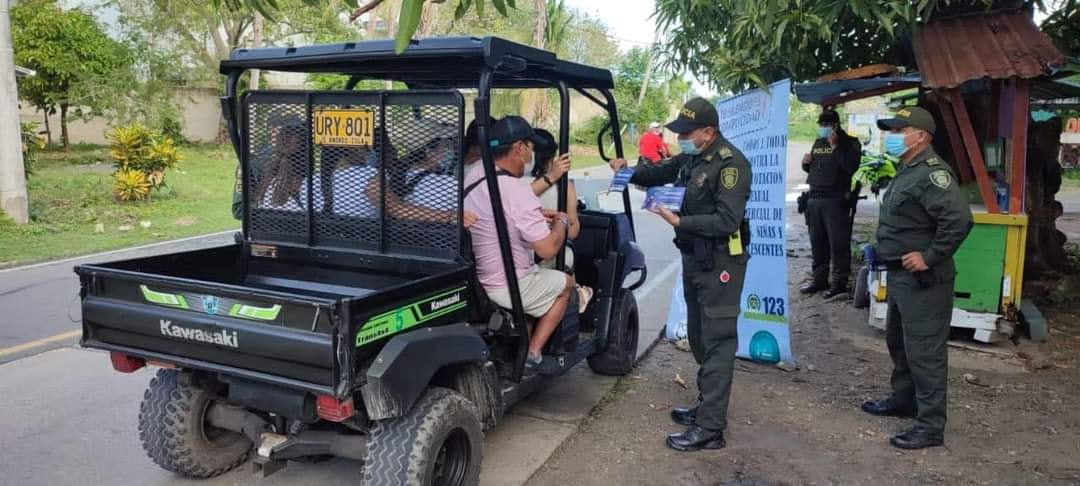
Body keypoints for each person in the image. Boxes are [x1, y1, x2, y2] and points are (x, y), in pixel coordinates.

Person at [609, 98, 751, 452]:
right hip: (695, 259)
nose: (681, 139)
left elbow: (726, 221)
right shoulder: (693, 157)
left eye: (687, 134)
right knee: (701, 337)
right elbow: (661, 172)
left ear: (708, 131)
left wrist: (680, 222)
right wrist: (629, 171)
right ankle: (708, 405)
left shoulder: (731, 165)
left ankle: (711, 428)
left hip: (720, 264)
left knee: (717, 342)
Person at [861, 106, 973, 450]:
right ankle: (904, 399)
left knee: (925, 351)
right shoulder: (907, 169)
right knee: (899, 342)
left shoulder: (932, 173)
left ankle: (930, 425)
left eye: (898, 130)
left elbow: (959, 219)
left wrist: (929, 256)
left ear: (920, 136)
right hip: (900, 278)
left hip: (924, 280)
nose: (892, 136)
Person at [464, 116, 574, 375]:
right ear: (519, 148)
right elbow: (547, 249)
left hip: (479, 276)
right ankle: (532, 354)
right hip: (508, 283)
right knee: (567, 285)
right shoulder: (516, 190)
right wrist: (562, 222)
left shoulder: (476, 172)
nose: (532, 153)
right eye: (530, 147)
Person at [799, 109, 862, 297]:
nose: (822, 128)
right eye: (820, 125)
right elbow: (815, 168)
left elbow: (851, 167)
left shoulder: (850, 143)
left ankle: (839, 284)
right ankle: (819, 280)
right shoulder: (818, 142)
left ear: (835, 125)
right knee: (817, 243)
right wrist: (805, 163)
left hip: (835, 200)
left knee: (838, 245)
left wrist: (836, 147)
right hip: (814, 198)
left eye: (825, 125)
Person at [529, 128, 592, 312]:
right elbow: (572, 231)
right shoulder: (564, 186)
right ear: (553, 156)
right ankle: (577, 292)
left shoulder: (506, 182)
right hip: (546, 254)